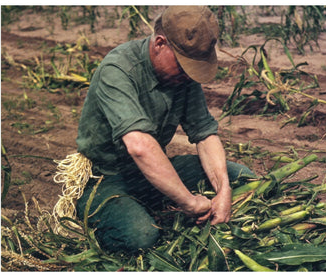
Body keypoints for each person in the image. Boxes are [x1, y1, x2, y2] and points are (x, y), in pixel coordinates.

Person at [75, 6, 254, 253]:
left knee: (241, 176)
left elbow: (204, 134)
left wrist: (224, 190)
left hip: (148, 173)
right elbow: (140, 146)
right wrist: (189, 202)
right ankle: (100, 213)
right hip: (105, 177)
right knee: (141, 237)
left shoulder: (181, 78)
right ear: (160, 44)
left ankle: (151, 202)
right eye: (184, 67)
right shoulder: (118, 70)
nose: (188, 76)